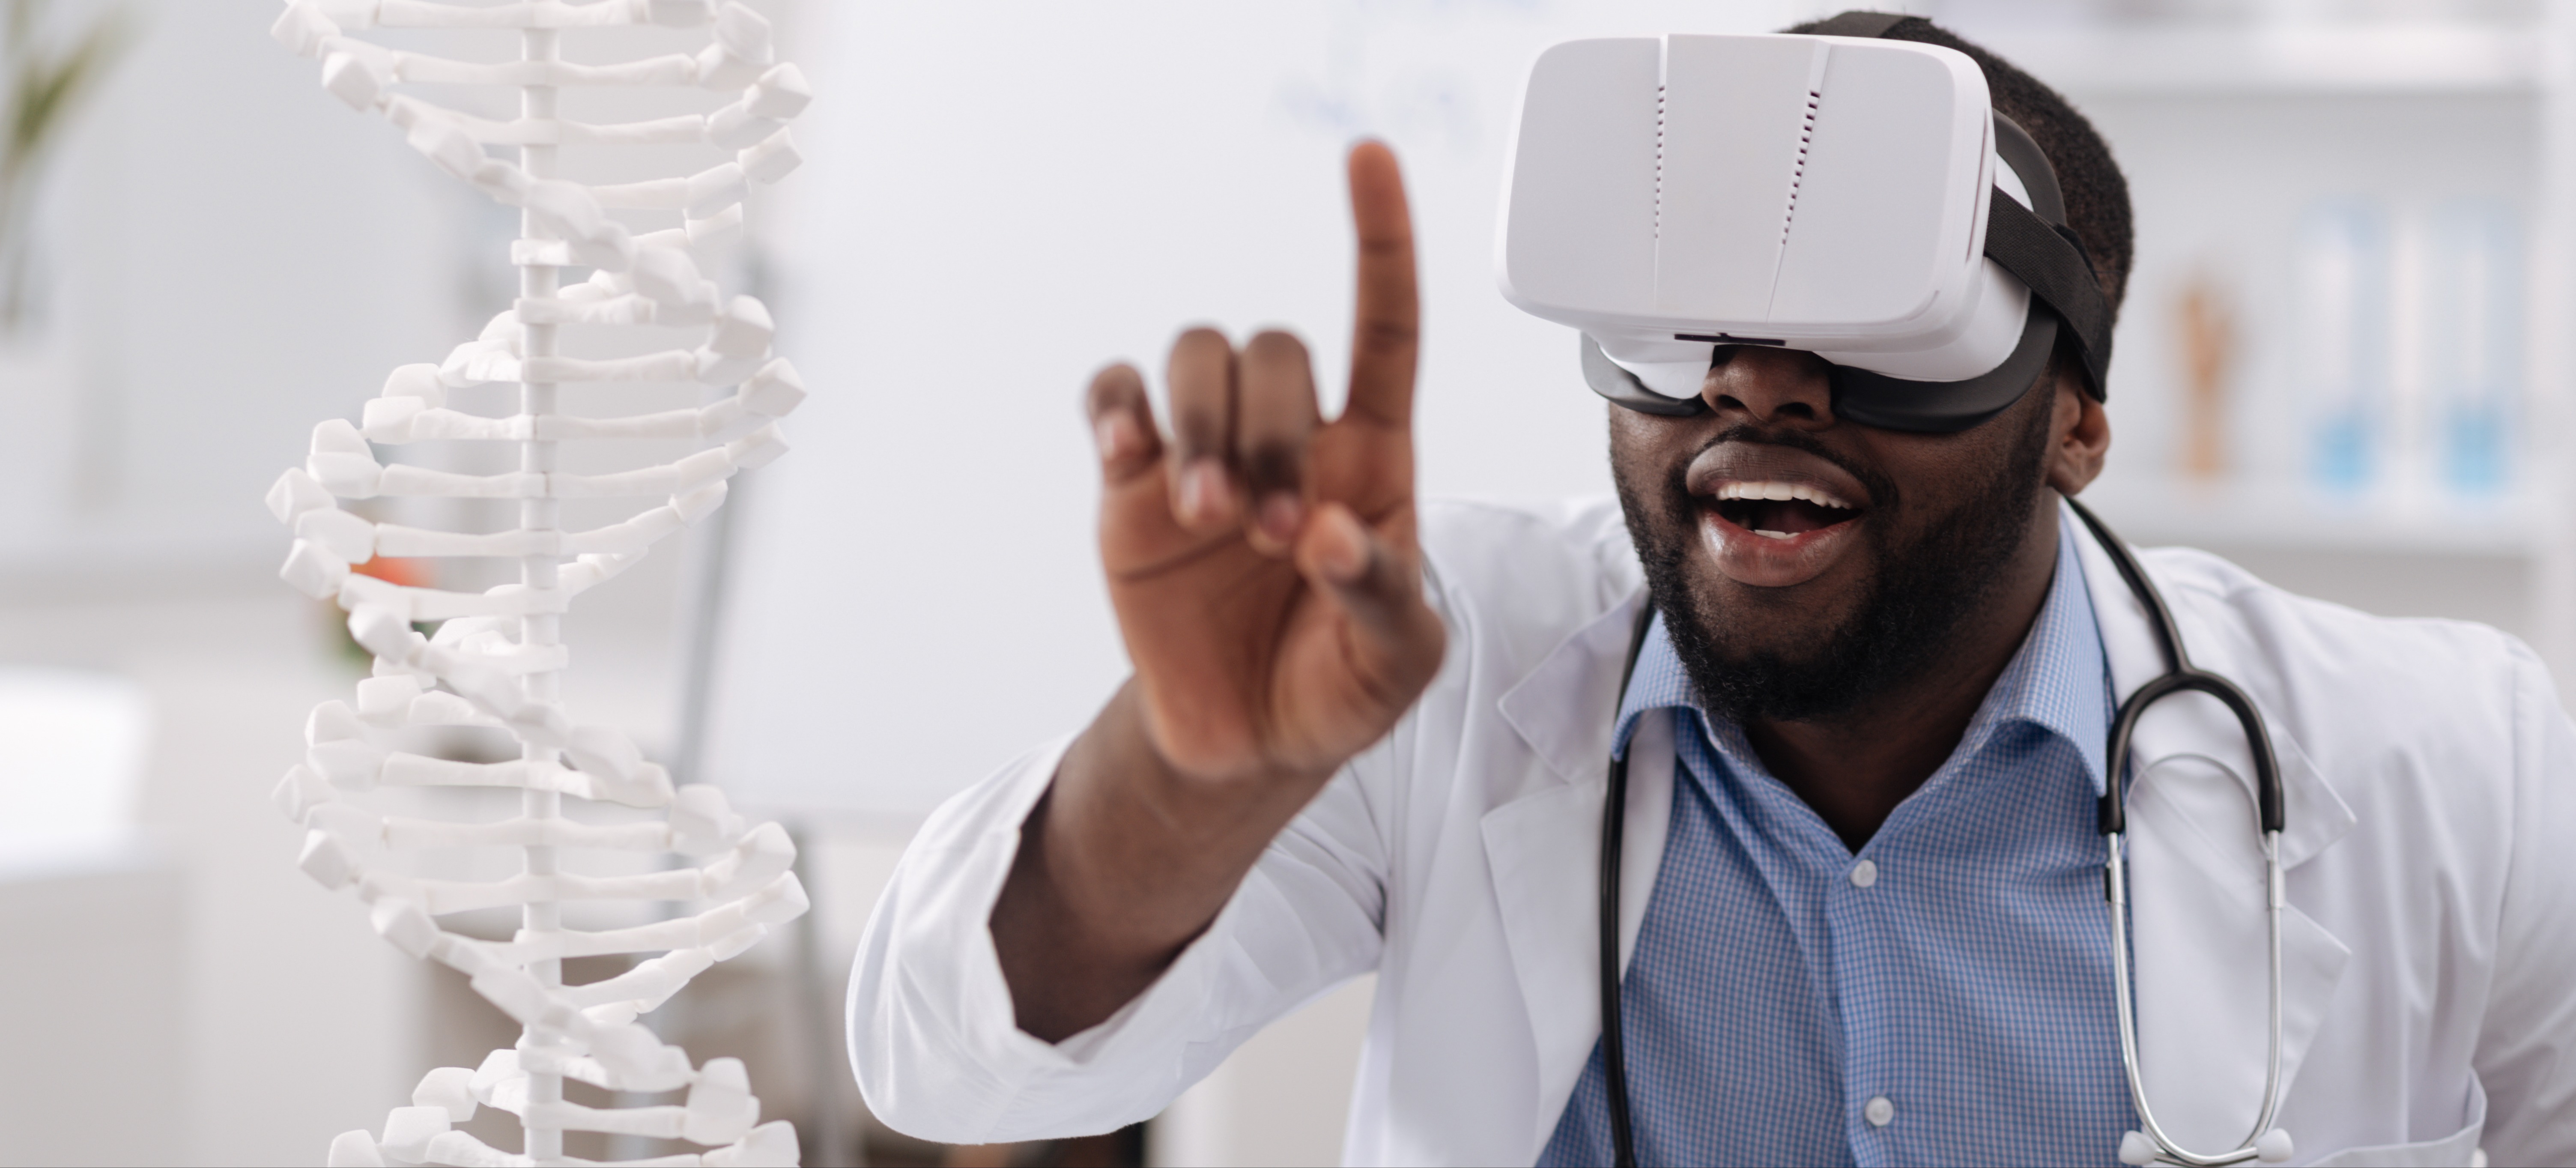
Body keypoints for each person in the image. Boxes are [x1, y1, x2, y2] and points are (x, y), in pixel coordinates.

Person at [848, 16, 2576, 1166]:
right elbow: (947, 1061)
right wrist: (1192, 768)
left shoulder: (2456, 761)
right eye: (1695, 319)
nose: (1759, 383)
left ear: (2074, 422)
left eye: (1882, 319)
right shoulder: (1421, 659)